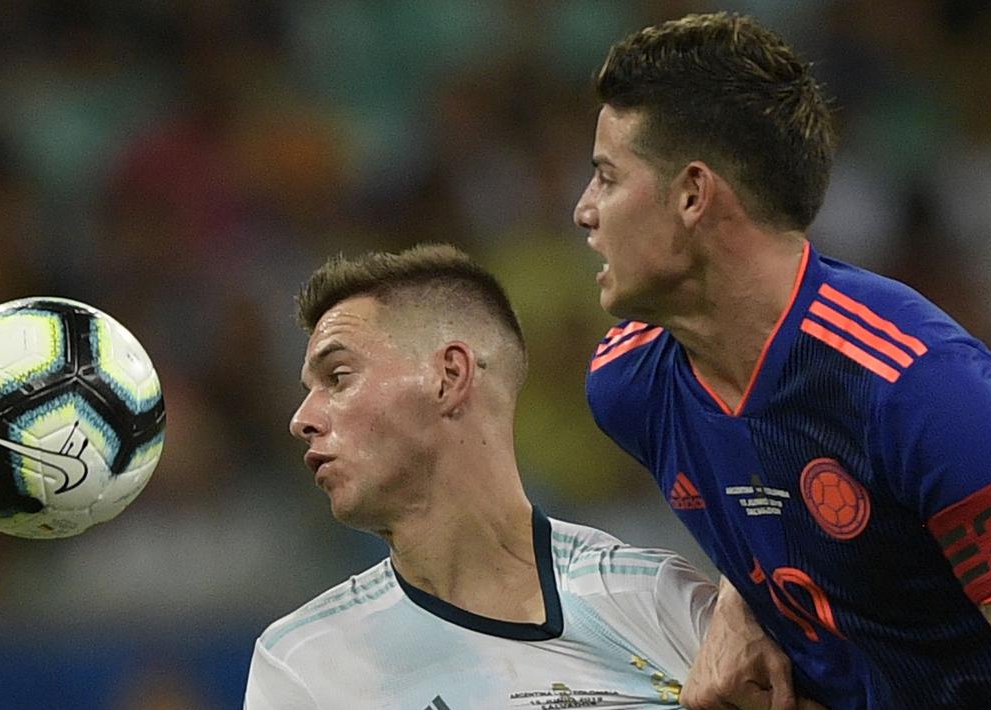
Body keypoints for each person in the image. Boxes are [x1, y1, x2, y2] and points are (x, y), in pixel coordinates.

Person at [575, 12, 991, 709]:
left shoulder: (914, 385)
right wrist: (740, 598)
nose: (583, 210)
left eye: (607, 177)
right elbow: (771, 498)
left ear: (693, 195)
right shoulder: (629, 385)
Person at [245, 244, 789, 708]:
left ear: (450, 376)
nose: (303, 419)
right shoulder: (304, 665)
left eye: (338, 377)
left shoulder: (653, 601)